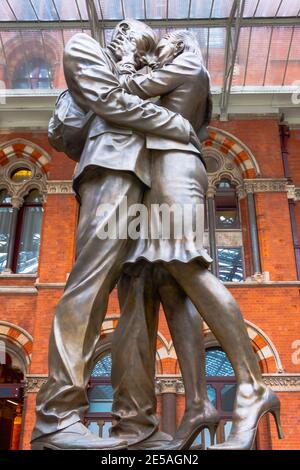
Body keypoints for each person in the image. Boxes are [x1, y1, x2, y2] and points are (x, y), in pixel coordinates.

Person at [111, 30, 283, 450]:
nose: (158, 48)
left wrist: (129, 59)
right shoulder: (178, 73)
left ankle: (251, 385)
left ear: (183, 45)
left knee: (187, 265)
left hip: (175, 171)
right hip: (161, 175)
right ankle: (199, 405)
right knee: (172, 284)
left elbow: (125, 91)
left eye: (165, 43)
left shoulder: (187, 65)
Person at [31, 20, 199, 450]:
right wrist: (173, 124)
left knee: (141, 303)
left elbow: (133, 102)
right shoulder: (84, 47)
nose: (137, 52)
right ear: (117, 38)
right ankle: (57, 416)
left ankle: (135, 425)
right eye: (132, 42)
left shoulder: (143, 77)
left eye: (145, 50)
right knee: (89, 285)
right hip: (111, 171)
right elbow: (93, 112)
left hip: (149, 182)